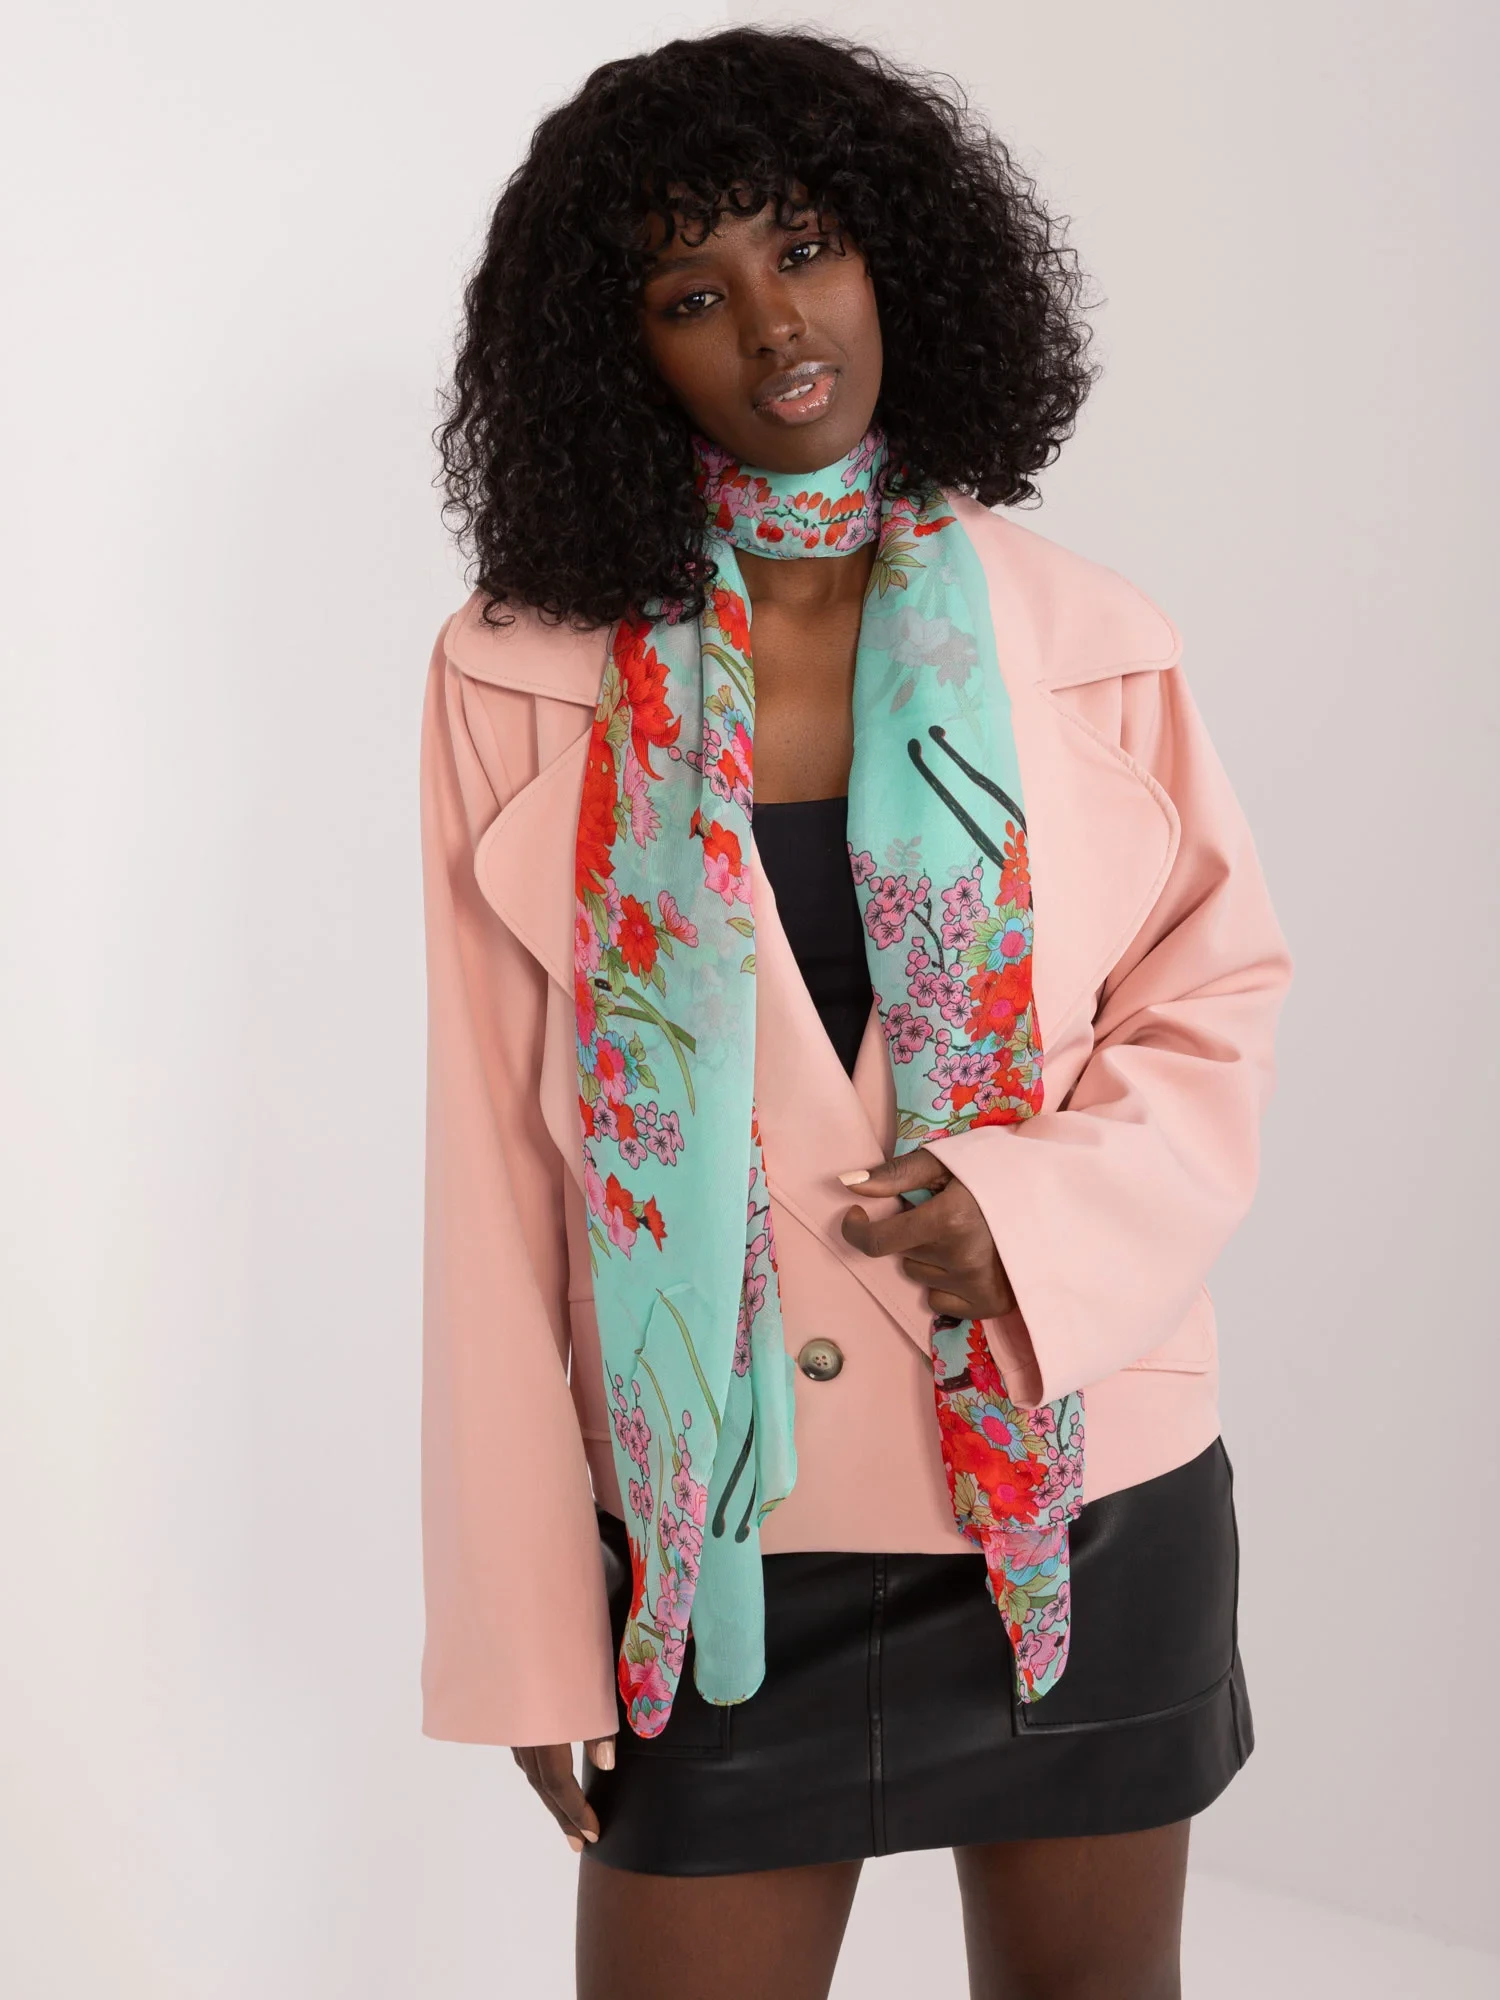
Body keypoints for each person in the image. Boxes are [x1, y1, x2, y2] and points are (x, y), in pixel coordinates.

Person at [419, 26, 1293, 2000]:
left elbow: (1214, 1003)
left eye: (806, 247)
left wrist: (1027, 1216)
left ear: (902, 253)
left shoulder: (1092, 637)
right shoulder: (517, 676)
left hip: (1078, 1489)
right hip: (719, 1543)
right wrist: (531, 1626)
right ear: (618, 352)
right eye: (691, 292)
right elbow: (491, 1169)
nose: (774, 325)